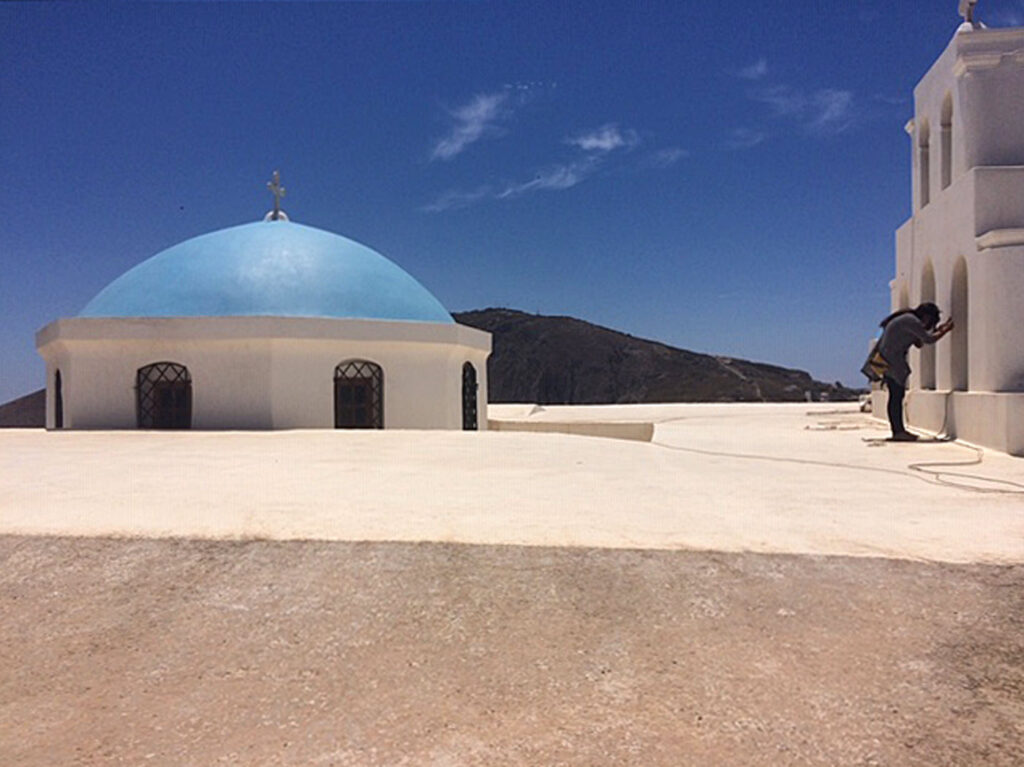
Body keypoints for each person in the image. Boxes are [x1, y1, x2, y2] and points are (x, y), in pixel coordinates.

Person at [875, 302, 954, 441]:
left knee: (895, 396)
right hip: (893, 361)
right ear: (927, 316)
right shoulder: (912, 321)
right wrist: (945, 330)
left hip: (888, 359)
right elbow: (928, 340)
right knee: (896, 396)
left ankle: (898, 431)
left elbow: (918, 343)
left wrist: (937, 331)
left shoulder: (907, 319)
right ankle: (898, 432)